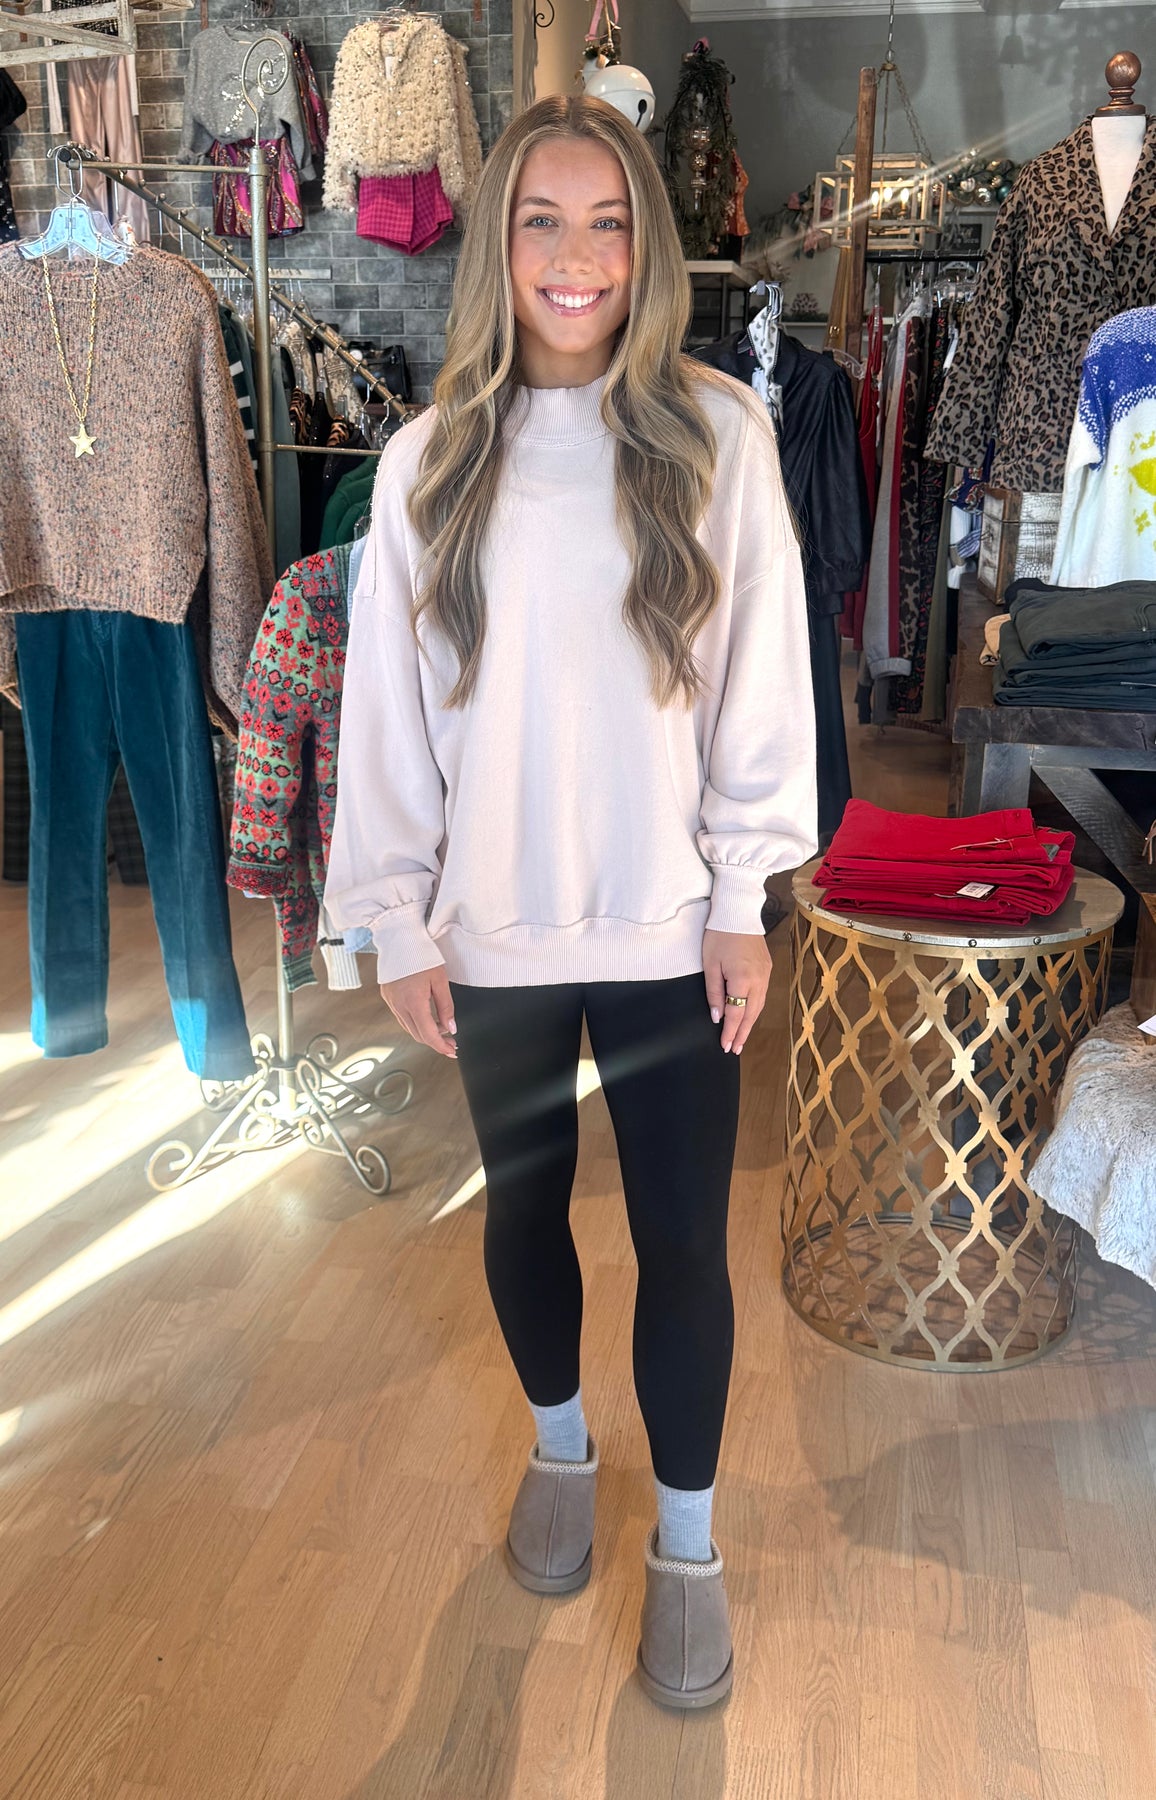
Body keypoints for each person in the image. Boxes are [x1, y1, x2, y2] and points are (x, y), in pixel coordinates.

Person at [325, 93, 816, 1711]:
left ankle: (689, 1544)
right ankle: (557, 1447)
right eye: (543, 220)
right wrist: (399, 915)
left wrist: (742, 895)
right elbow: (390, 719)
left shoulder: (720, 438)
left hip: (674, 929)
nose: (578, 256)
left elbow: (762, 689)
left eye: (609, 222)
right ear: (498, 244)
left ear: (647, 246)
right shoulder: (426, 464)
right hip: (496, 932)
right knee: (522, 1214)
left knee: (683, 1242)